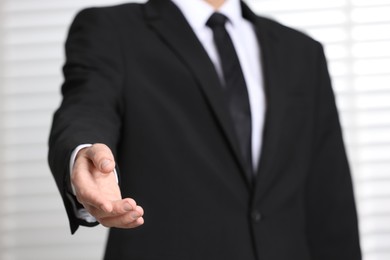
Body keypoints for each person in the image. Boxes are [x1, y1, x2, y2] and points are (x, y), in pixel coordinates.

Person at [48, 0, 362, 259]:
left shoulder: (302, 51)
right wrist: (83, 152)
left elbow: (330, 198)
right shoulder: (112, 29)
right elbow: (87, 105)